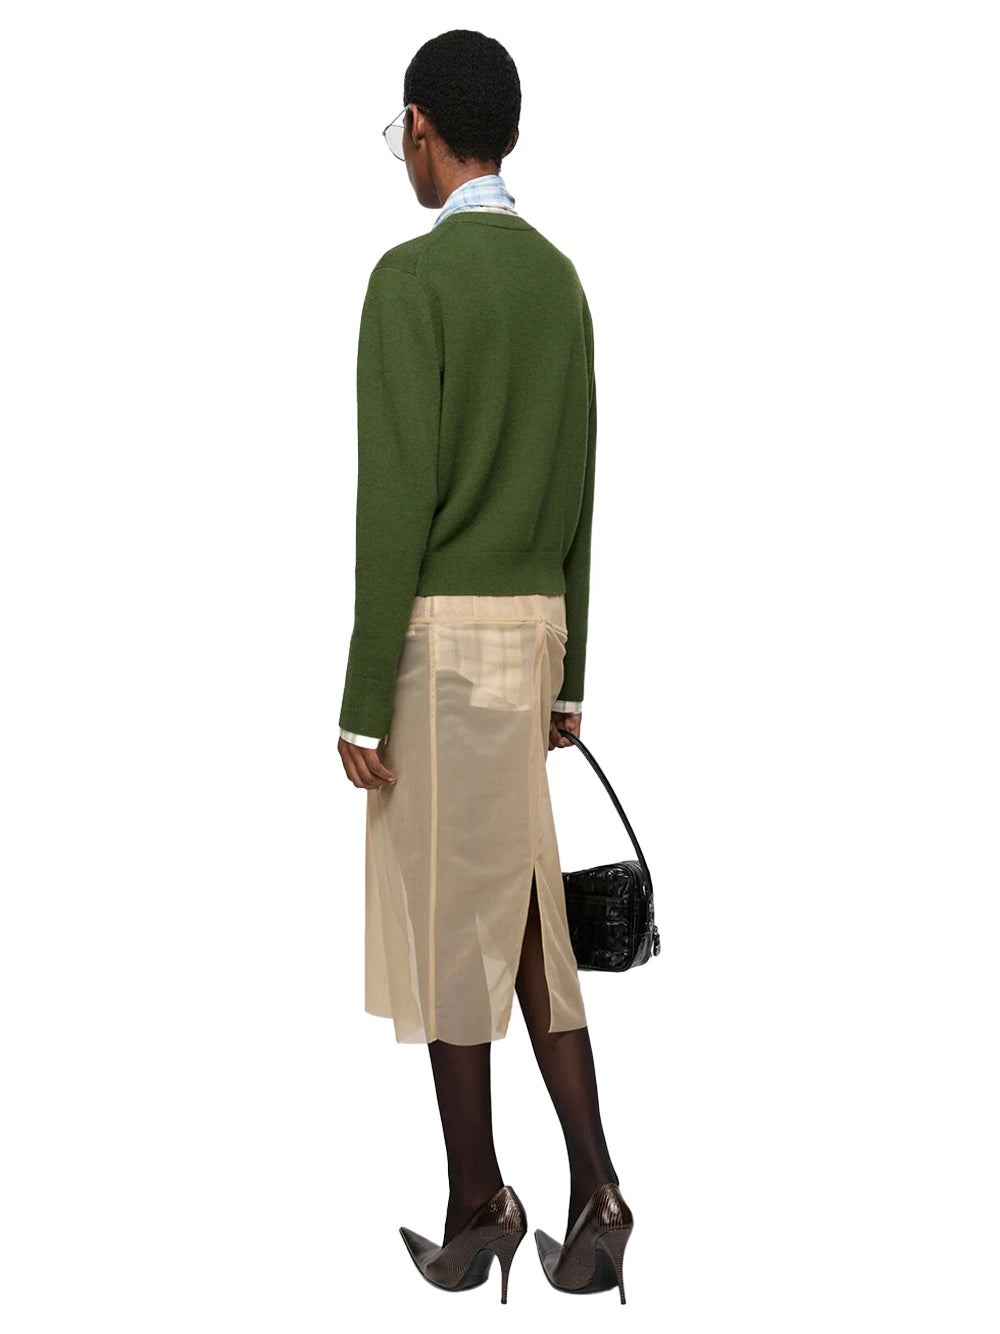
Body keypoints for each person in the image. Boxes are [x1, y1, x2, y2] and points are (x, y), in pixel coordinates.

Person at [337, 30, 634, 1305]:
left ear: (421, 127)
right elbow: (581, 485)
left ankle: (480, 1201)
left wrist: (362, 696)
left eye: (398, 134)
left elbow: (393, 503)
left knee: (457, 926)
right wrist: (572, 677)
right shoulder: (558, 281)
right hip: (534, 634)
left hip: (442, 647)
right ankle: (594, 1193)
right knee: (520, 920)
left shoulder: (410, 280)